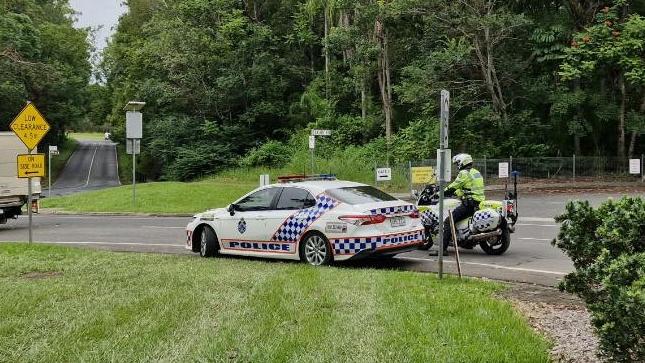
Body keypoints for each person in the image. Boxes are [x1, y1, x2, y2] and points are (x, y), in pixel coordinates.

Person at [430, 153, 485, 256]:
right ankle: (467, 243)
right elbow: (468, 188)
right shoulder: (476, 172)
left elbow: (453, 186)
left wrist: (440, 193)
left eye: (457, 163)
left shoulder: (464, 173)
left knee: (448, 222)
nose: (457, 165)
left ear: (462, 162)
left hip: (469, 204)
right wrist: (456, 193)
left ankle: (443, 250)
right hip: (478, 203)